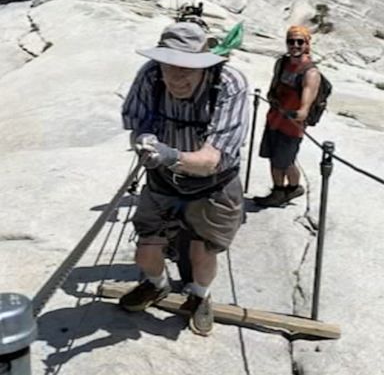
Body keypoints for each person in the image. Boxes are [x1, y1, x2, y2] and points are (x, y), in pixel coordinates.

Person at [120, 22, 249, 336]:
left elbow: (211, 160)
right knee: (146, 251)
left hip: (214, 184)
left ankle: (199, 295)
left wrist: (170, 156)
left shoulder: (229, 84)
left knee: (202, 252)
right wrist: (146, 140)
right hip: (163, 181)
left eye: (186, 69)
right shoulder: (151, 75)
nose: (176, 77)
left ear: (203, 66)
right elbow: (137, 123)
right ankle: (157, 285)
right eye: (169, 67)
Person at [253, 25, 321, 207]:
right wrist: (273, 99)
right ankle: (293, 188)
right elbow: (273, 89)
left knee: (279, 162)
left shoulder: (311, 73)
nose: (295, 45)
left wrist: (297, 113)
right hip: (274, 119)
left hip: (291, 126)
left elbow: (304, 109)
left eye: (300, 41)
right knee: (282, 159)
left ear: (307, 44)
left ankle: (278, 192)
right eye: (291, 41)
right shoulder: (282, 64)